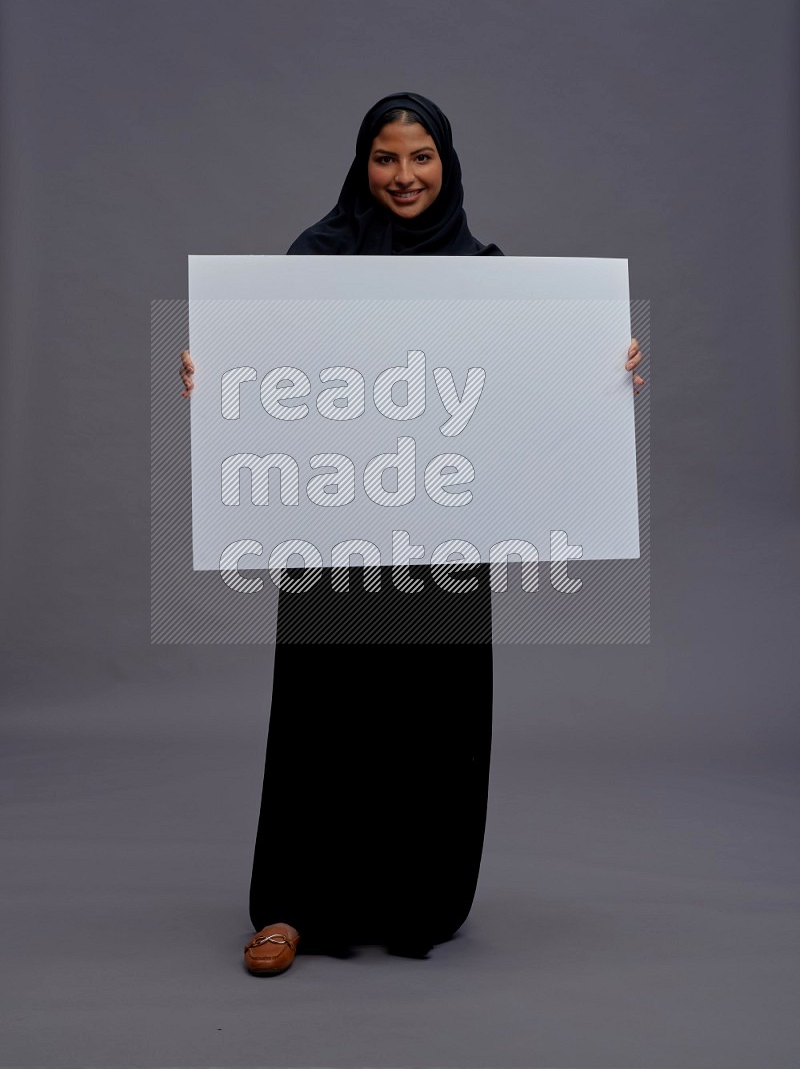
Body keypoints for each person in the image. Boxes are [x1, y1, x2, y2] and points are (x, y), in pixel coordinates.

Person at [179, 92, 646, 977]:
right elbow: (264, 384)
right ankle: (287, 908)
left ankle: (410, 903)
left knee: (432, 725)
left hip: (444, 545)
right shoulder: (313, 262)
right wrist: (214, 372)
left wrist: (605, 370)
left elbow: (531, 404)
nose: (404, 177)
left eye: (421, 157)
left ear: (448, 164)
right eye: (387, 158)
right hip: (334, 542)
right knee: (322, 720)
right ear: (364, 164)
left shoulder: (487, 274)